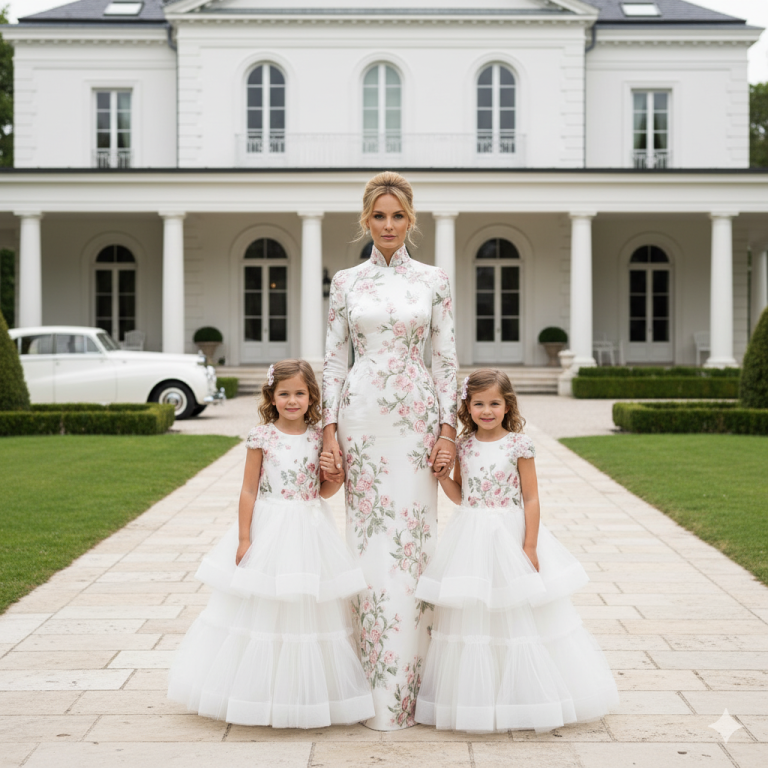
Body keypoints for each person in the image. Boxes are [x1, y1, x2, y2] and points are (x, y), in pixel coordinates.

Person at [168, 359, 374, 728]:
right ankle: (255, 692)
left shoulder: (318, 438)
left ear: (312, 397)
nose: (292, 400)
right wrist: (245, 537)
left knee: (306, 611)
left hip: (309, 527)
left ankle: (302, 694)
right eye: (284, 394)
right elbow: (249, 489)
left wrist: (336, 477)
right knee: (261, 609)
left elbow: (323, 490)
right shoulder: (262, 436)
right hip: (270, 525)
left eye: (300, 393)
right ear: (272, 396)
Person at [322, 171, 458, 729]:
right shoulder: (346, 282)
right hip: (360, 421)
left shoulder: (434, 280)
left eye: (397, 216)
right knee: (367, 541)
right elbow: (333, 359)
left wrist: (448, 429)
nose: (387, 225)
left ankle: (412, 687)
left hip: (416, 423)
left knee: (413, 544)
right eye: (378, 216)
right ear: (365, 219)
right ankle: (369, 682)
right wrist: (328, 430)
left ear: (411, 220)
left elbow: (446, 359)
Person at [414, 369, 619, 733]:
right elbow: (463, 496)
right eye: (479, 404)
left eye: (495, 403)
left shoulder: (519, 444)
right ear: (468, 407)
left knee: (519, 614)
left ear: (508, 405)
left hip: (510, 533)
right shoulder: (464, 446)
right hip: (472, 535)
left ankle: (528, 697)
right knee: (477, 615)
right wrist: (444, 477)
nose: (487, 410)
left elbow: (531, 497)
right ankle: (483, 697)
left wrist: (529, 544)